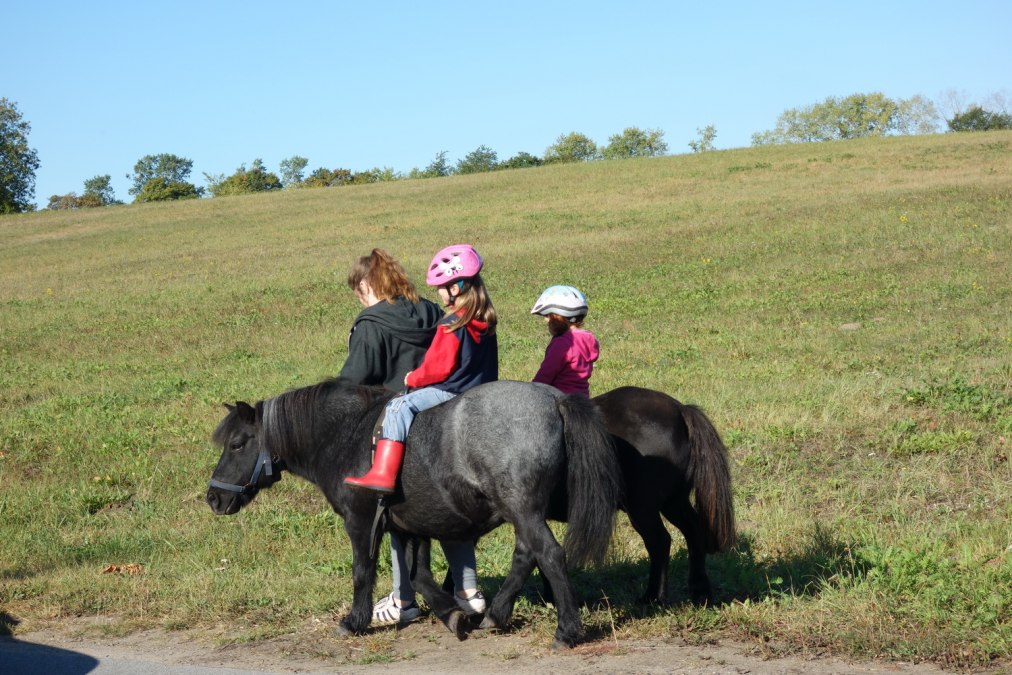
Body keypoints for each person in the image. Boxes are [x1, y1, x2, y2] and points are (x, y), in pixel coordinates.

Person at [344, 243, 498, 624]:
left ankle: (402, 600)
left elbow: (352, 384)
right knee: (453, 504)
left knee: (393, 513)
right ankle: (467, 589)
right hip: (457, 412)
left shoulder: (373, 327)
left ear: (366, 287)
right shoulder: (435, 313)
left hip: (411, 413)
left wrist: (410, 381)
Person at [339, 248, 442, 391]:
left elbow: (353, 381)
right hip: (442, 392)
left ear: (364, 285)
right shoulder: (430, 308)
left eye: (357, 294)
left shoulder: (370, 325)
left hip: (398, 404)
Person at [530, 285, 599, 397]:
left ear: (559, 316)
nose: (545, 320)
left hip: (560, 400)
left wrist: (532, 391)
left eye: (548, 315)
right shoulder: (588, 339)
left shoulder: (562, 344)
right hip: (582, 400)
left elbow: (546, 374)